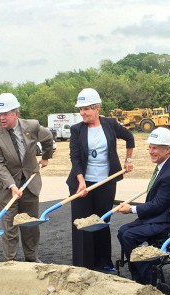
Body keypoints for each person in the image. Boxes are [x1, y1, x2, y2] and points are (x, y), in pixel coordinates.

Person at [66, 88, 134, 271]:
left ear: (97, 108)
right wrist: (81, 181)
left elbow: (129, 137)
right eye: (80, 109)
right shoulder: (76, 130)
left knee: (102, 222)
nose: (82, 113)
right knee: (83, 224)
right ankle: (83, 265)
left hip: (106, 182)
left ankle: (103, 262)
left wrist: (128, 160)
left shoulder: (110, 124)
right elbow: (75, 158)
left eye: (86, 109)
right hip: (82, 183)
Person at [0, 93, 55, 262]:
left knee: (30, 225)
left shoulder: (32, 126)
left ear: (16, 113)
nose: (1, 117)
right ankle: (11, 261)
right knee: (9, 226)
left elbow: (48, 138)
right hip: (7, 186)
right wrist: (11, 185)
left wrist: (46, 157)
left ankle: (32, 258)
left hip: (30, 182)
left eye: (5, 114)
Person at [117, 127, 170, 285]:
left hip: (167, 220)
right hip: (158, 215)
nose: (150, 151)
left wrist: (131, 209)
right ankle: (139, 275)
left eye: (155, 148)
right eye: (150, 147)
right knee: (123, 231)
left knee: (129, 235)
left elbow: (158, 205)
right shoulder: (165, 165)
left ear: (167, 149)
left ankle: (149, 279)